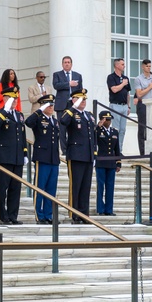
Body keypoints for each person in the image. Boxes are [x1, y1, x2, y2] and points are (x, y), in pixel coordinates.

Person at [61, 89, 96, 222]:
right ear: (74, 100)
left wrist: (94, 153)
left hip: (87, 155)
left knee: (86, 186)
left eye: (85, 99)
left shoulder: (88, 115)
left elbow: (92, 136)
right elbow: (63, 122)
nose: (84, 102)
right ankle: (74, 213)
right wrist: (73, 107)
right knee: (75, 185)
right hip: (76, 154)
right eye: (81, 99)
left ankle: (84, 213)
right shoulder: (70, 113)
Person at [0, 88, 27, 225]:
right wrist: (5, 110)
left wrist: (25, 153)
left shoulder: (19, 115)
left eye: (16, 99)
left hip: (17, 157)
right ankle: (3, 216)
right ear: (6, 99)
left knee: (15, 188)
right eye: (12, 99)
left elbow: (22, 136)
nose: (15, 102)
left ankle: (13, 215)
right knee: (3, 188)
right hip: (5, 157)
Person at [25, 94, 60, 224]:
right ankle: (39, 215)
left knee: (51, 189)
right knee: (40, 188)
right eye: (48, 104)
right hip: (42, 157)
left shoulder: (55, 121)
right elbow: (28, 122)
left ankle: (48, 214)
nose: (51, 107)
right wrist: (39, 110)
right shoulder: (38, 118)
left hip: (53, 158)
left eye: (52, 104)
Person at [131, 59, 152, 155]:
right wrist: (149, 87)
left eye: (150, 66)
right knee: (142, 128)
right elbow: (139, 94)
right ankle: (142, 152)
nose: (148, 68)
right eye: (147, 66)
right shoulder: (138, 79)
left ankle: (151, 150)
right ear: (143, 67)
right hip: (143, 104)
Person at [95, 110, 120, 216]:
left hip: (111, 162)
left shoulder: (114, 131)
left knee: (110, 186)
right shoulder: (97, 131)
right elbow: (92, 140)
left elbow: (117, 148)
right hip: (101, 162)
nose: (108, 122)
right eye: (106, 120)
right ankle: (100, 209)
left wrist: (118, 162)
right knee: (100, 186)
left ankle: (109, 209)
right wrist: (97, 127)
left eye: (109, 120)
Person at [106, 57, 130, 150]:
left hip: (124, 106)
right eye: (122, 64)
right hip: (115, 105)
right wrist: (123, 84)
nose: (124, 66)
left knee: (123, 129)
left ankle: (119, 149)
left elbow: (128, 93)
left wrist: (128, 106)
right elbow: (114, 89)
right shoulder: (111, 77)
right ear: (116, 65)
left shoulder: (125, 78)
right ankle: (114, 150)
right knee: (116, 129)